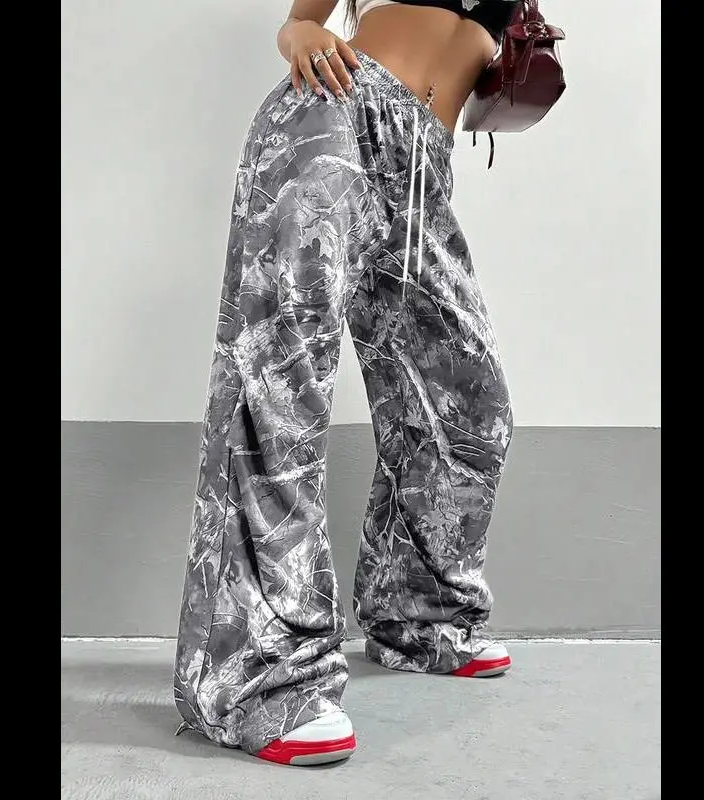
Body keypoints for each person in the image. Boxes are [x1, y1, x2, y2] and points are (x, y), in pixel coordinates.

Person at [174, 0, 519, 766]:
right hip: (338, 119)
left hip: (423, 167)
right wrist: (302, 34)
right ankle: (255, 681)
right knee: (280, 389)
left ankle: (417, 615)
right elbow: (302, 22)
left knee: (469, 401)